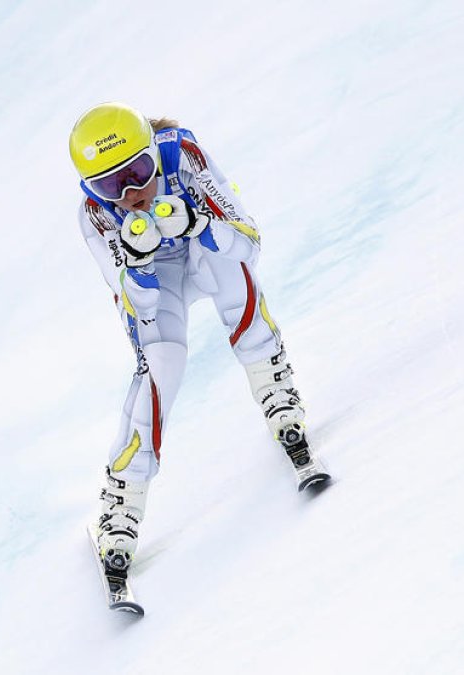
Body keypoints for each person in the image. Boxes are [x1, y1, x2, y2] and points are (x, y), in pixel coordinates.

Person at [69, 102, 329, 575]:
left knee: (232, 272)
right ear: (92, 190)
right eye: (110, 185)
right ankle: (121, 505)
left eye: (139, 172)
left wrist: (199, 225)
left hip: (202, 247)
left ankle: (280, 398)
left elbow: (248, 241)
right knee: (162, 362)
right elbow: (134, 303)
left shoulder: (182, 154)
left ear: (154, 153)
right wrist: (138, 261)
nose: (130, 194)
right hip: (157, 280)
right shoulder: (96, 215)